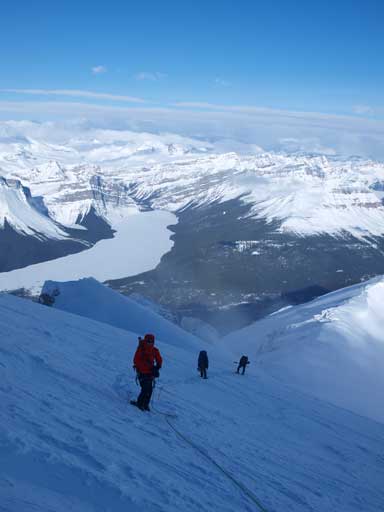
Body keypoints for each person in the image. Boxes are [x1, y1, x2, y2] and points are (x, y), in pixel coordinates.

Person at [131, 333, 162, 411]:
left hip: (150, 373)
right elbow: (136, 361)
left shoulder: (154, 350)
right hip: (142, 372)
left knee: (149, 389)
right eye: (148, 341)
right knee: (145, 388)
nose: (150, 343)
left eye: (151, 341)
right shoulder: (141, 350)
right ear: (145, 341)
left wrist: (157, 367)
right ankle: (140, 403)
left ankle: (145, 404)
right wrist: (151, 368)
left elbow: (159, 359)